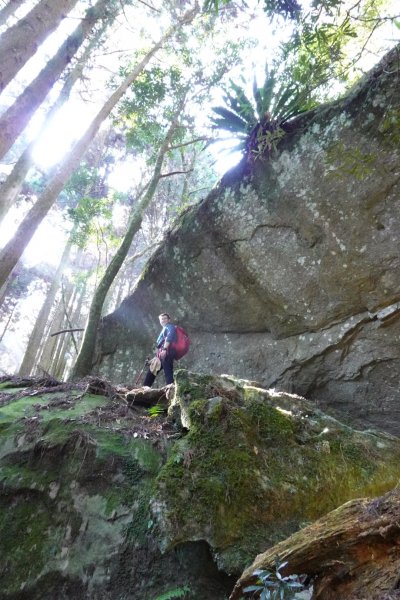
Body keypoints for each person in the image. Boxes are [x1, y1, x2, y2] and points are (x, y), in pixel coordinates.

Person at [143, 313, 177, 387]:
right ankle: (145, 388)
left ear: (169, 320)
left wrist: (164, 349)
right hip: (161, 355)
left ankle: (171, 388)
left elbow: (169, 337)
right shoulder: (164, 329)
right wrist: (151, 361)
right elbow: (158, 346)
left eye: (165, 318)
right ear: (160, 321)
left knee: (167, 371)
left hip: (167, 353)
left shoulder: (170, 327)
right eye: (162, 319)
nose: (163, 320)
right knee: (152, 371)